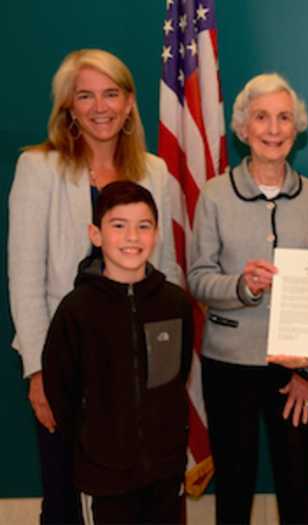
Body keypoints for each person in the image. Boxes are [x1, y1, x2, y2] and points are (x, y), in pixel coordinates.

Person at [7, 48, 181, 524]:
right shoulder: (38, 169)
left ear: (128, 103)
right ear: (69, 106)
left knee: (135, 498)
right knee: (63, 498)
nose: (99, 107)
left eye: (111, 94)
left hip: (134, 373)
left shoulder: (156, 172)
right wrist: (38, 373)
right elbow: (25, 277)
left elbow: (162, 279)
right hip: (65, 363)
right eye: (85, 96)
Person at [188, 72, 308, 525]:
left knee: (297, 485)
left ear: (297, 127)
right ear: (243, 128)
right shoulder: (214, 194)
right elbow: (196, 279)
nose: (273, 129)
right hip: (229, 364)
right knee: (234, 487)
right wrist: (241, 287)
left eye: (284, 118)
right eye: (262, 118)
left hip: (295, 372)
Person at [41, 181, 193, 524]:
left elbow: (177, 374)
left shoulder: (175, 303)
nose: (132, 237)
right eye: (119, 225)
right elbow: (61, 390)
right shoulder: (76, 309)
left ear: (156, 234)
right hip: (103, 475)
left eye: (144, 226)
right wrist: (92, 445)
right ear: (96, 234)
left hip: (165, 471)